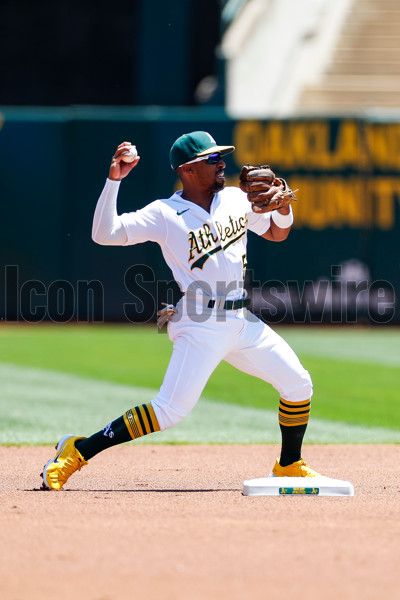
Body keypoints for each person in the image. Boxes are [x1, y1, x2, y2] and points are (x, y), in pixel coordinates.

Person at [41, 130, 322, 491]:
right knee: (170, 411)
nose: (222, 163)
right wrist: (114, 181)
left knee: (298, 383)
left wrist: (283, 207)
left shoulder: (236, 199)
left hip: (241, 320)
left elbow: (277, 233)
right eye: (212, 159)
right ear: (188, 170)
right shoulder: (165, 213)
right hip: (200, 321)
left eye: (221, 157)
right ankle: (77, 451)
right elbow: (104, 233)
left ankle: (289, 465)